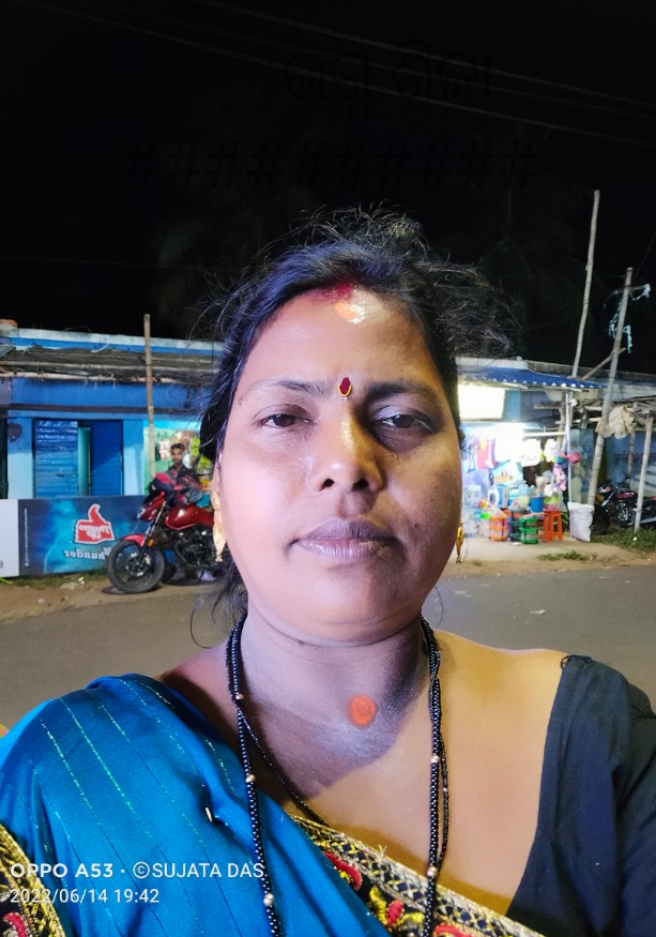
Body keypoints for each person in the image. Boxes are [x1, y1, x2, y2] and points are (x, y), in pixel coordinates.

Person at [1, 208, 655, 937]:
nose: (347, 463)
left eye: (401, 418)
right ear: (218, 492)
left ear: (458, 476)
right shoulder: (70, 780)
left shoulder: (601, 743)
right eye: (284, 418)